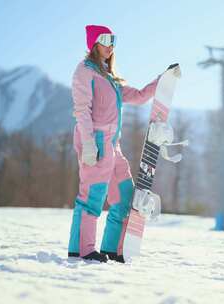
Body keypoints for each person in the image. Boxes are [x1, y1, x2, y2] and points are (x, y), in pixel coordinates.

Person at [67, 24, 179, 263]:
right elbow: (82, 110)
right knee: (92, 196)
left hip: (113, 145)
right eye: (106, 40)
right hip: (95, 140)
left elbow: (138, 97)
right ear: (94, 43)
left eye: (113, 40)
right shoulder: (84, 72)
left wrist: (162, 80)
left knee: (125, 196)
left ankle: (111, 248)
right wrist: (88, 143)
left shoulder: (109, 77)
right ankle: (82, 250)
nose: (111, 46)